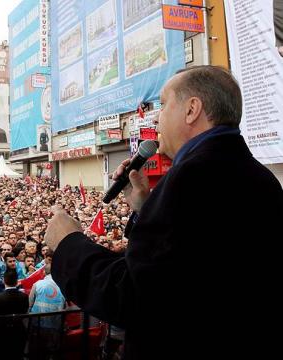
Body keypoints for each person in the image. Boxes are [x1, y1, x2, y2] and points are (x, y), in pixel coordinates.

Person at [45, 66, 283, 359]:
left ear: (192, 109)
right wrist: (146, 207)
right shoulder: (260, 178)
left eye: (163, 103)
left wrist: (68, 243)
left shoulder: (190, 178)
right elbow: (191, 268)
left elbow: (136, 296)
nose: (156, 116)